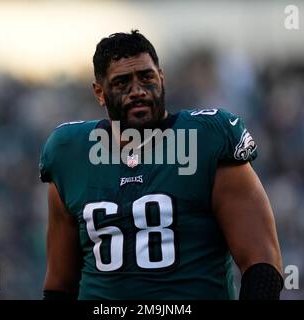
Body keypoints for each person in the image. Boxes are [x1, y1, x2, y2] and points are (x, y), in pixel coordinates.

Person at [39, 30, 283, 300]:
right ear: (100, 92)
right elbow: (59, 285)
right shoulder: (69, 152)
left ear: (161, 78)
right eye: (122, 83)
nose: (138, 91)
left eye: (146, 77)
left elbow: (263, 264)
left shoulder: (206, 139)